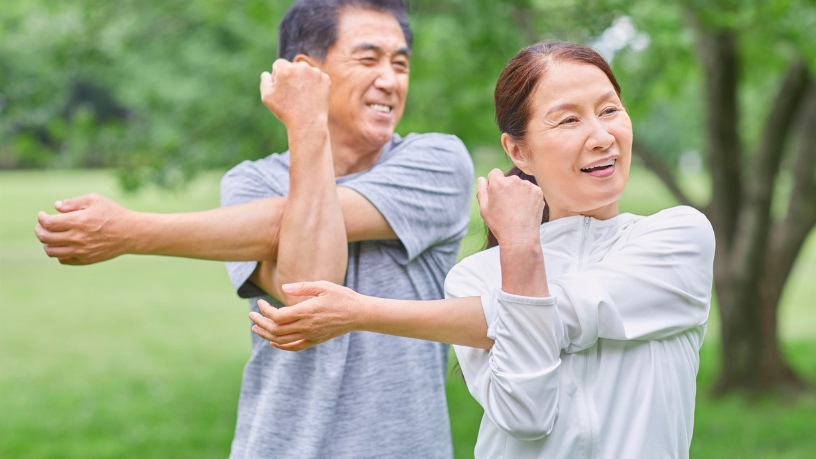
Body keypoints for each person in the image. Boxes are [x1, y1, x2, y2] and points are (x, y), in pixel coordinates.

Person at [35, 1, 473, 458]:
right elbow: (307, 286)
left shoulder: (437, 163)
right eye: (368, 59)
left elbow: (285, 239)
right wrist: (308, 120)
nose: (391, 79)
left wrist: (131, 231)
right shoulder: (251, 181)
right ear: (306, 72)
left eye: (400, 63)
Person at [248, 41, 716, 459]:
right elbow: (526, 415)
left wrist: (363, 311)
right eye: (569, 119)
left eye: (610, 110)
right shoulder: (475, 277)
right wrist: (519, 249)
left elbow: (572, 310)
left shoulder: (677, 238)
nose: (601, 136)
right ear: (518, 151)